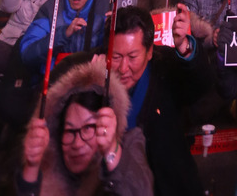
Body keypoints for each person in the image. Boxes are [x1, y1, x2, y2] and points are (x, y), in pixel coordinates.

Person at [108, 5, 210, 196]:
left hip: (167, 184)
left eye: (132, 57)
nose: (123, 68)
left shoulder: (165, 65)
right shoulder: (96, 72)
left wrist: (185, 48)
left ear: (149, 52)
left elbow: (201, 85)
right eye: (116, 57)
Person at [16, 54, 153, 196]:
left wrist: (111, 150)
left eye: (88, 128)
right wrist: (32, 167)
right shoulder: (51, 166)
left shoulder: (131, 142)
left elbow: (140, 189)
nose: (77, 143)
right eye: (69, 131)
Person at [19, 0, 110, 79]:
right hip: (54, 79)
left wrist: (111, 31)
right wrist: (63, 34)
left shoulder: (105, 8)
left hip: (90, 80)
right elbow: (27, 53)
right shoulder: (52, 8)